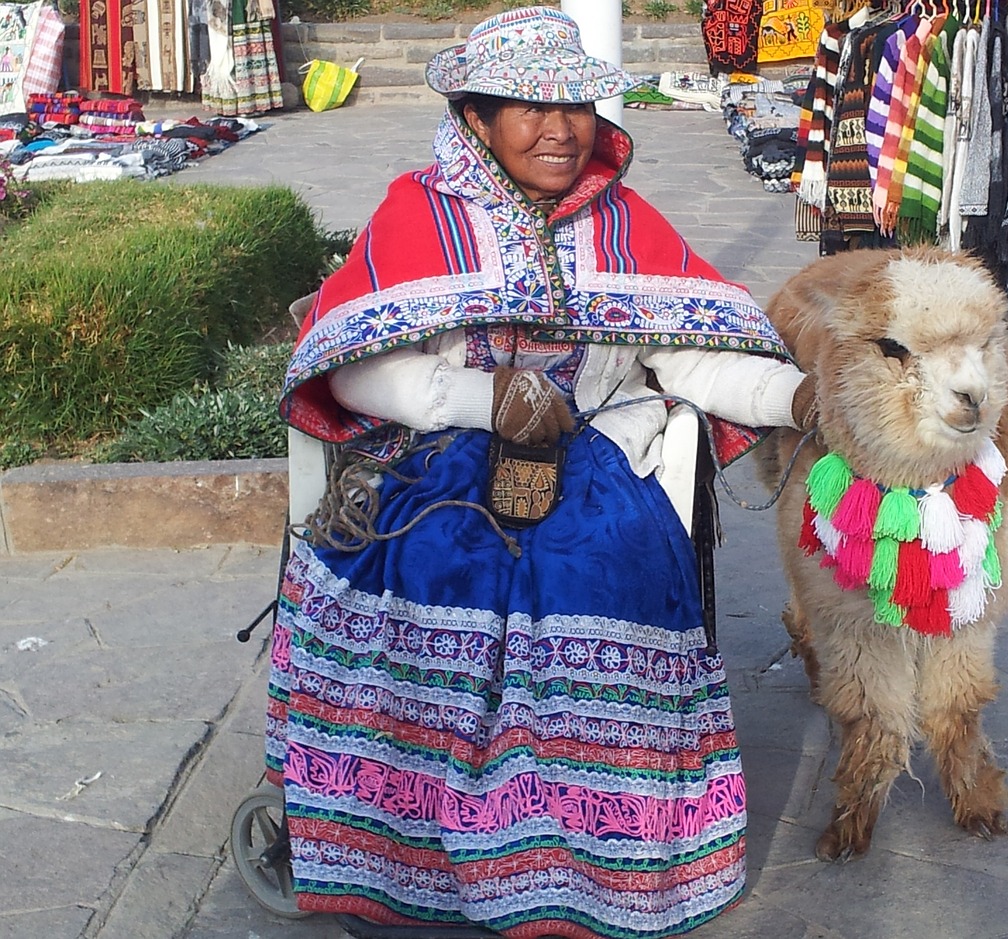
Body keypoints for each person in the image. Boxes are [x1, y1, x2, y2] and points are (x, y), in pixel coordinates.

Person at [265, 7, 818, 937]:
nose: (560, 129)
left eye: (576, 106)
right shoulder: (417, 213)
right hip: (441, 459)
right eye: (530, 107)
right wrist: (481, 398)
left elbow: (688, 359)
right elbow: (355, 365)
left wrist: (797, 396)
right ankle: (415, 846)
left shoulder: (625, 224)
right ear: (479, 119)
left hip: (596, 458)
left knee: (606, 569)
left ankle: (589, 859)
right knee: (437, 563)